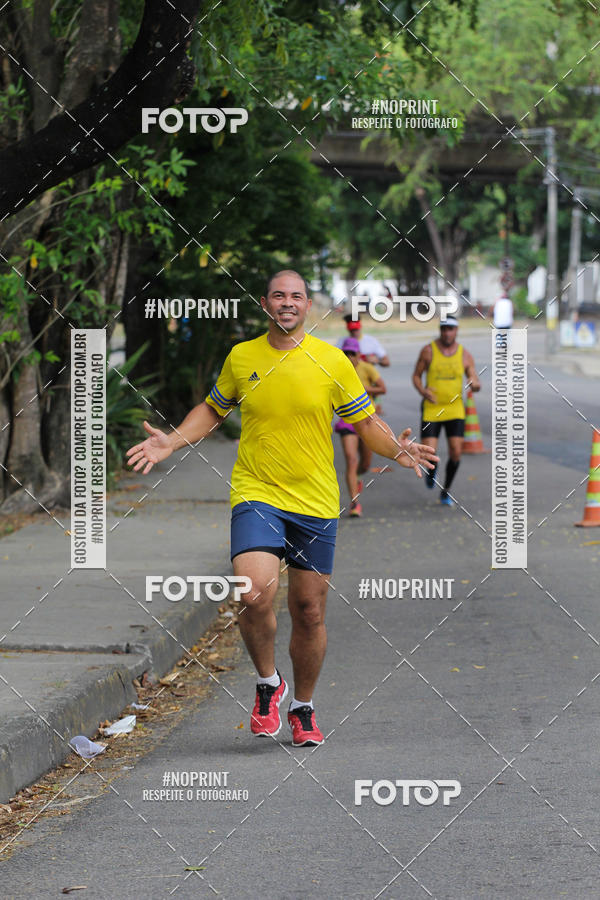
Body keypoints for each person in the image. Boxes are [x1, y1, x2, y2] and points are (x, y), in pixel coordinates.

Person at [127, 271, 437, 747]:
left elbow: (364, 421)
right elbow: (213, 409)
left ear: (308, 306)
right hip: (257, 492)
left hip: (314, 500)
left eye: (296, 296)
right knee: (253, 594)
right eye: (278, 295)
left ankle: (304, 707)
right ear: (266, 303)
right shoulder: (242, 356)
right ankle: (268, 683)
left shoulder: (332, 361)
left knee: (308, 609)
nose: (287, 302)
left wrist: (398, 449)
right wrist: (171, 441)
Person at [412, 316, 480, 506]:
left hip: (455, 410)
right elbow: (416, 376)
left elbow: (475, 380)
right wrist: (423, 391)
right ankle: (433, 471)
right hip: (432, 409)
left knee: (456, 452)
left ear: (456, 331)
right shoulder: (428, 351)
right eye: (444, 329)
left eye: (451, 329)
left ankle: (446, 490)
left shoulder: (465, 355)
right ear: (440, 330)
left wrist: (474, 384)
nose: (447, 333)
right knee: (428, 453)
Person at [334, 337, 386, 518]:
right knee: (351, 459)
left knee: (364, 464)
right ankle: (355, 503)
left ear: (358, 355)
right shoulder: (337, 371)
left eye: (352, 354)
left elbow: (382, 388)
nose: (349, 357)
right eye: (345, 353)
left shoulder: (367, 368)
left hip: (366, 421)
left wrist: (364, 389)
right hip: (346, 421)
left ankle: (356, 478)